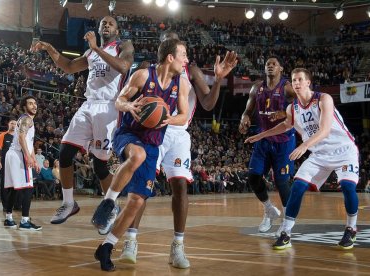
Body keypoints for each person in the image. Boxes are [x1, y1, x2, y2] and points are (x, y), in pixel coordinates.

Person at [119, 30, 238, 268]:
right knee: (141, 188)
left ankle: (177, 247)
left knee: (180, 186)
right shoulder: (146, 70)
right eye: (167, 43)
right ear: (165, 51)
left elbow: (207, 103)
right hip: (150, 131)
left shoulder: (190, 72)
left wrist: (218, 80)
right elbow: (127, 100)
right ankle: (130, 241)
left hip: (177, 133)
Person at [93, 38, 189, 271]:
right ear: (170, 57)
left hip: (153, 143)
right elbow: (119, 100)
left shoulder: (182, 84)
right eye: (183, 55)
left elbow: (184, 115)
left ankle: (107, 246)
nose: (186, 60)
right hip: (128, 134)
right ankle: (108, 203)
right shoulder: (143, 75)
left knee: (136, 201)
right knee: (137, 156)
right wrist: (130, 107)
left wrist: (167, 119)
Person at [31, 16, 134, 226]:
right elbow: (68, 66)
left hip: (109, 107)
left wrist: (96, 48)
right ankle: (69, 203)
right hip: (88, 104)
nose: (105, 25)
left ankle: (111, 207)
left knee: (100, 166)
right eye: (102, 23)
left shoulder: (124, 45)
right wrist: (50, 48)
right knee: (65, 152)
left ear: (117, 30)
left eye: (110, 23)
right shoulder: (90, 52)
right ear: (98, 28)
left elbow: (124, 67)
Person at [245, 68, 359, 250]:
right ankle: (286, 233)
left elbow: (325, 130)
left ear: (308, 82)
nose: (296, 83)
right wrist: (260, 135)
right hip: (320, 154)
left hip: (343, 151)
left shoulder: (323, 99)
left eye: (299, 80)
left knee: (347, 186)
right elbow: (284, 125)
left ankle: (351, 228)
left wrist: (304, 145)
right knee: (297, 186)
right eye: (293, 80)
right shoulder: (293, 107)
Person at [239, 56, 296, 234]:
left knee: (282, 182)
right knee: (253, 177)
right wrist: (244, 119)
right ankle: (269, 210)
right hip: (263, 139)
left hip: (284, 141)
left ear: (280, 69)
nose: (270, 66)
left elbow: (301, 104)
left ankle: (287, 223)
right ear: (265, 69)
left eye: (274, 64)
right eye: (267, 64)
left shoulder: (287, 87)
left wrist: (284, 113)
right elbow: (247, 110)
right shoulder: (257, 87)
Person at [3, 96, 42, 231]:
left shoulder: (26, 119)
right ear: (25, 107)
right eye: (30, 103)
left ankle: (9, 219)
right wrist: (28, 157)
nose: (34, 105)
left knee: (15, 188)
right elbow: (21, 138)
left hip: (13, 154)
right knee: (28, 188)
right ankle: (25, 221)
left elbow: (29, 143)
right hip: (18, 154)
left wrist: (34, 160)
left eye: (35, 103)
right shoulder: (26, 119)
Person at [0, 119, 17, 210]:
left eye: (15, 124)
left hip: (16, 164)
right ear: (8, 124)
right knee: (4, 183)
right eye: (12, 123)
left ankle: (16, 204)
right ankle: (5, 205)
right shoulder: (3, 135)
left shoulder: (18, 136)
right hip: (5, 163)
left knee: (16, 184)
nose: (13, 125)